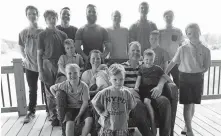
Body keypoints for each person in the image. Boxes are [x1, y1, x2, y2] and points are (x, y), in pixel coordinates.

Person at [165, 23, 211, 136]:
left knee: (193, 103)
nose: (193, 35)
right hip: (184, 78)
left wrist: (197, 72)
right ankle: (190, 130)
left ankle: (187, 125)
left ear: (199, 32)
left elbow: (206, 66)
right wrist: (164, 72)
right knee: (187, 104)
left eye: (195, 32)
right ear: (187, 35)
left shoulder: (206, 50)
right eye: (190, 33)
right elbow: (173, 62)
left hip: (198, 78)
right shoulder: (182, 49)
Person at [122, 41, 174, 136]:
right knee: (138, 106)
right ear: (128, 52)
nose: (136, 52)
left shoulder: (147, 63)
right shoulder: (122, 67)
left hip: (151, 93)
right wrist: (130, 90)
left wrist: (160, 86)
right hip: (134, 96)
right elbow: (116, 84)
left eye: (138, 50)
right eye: (133, 50)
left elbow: (162, 75)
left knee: (164, 101)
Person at [37, 10, 68, 126]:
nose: (52, 20)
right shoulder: (42, 35)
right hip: (47, 64)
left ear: (57, 19)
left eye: (54, 17)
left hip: (60, 64)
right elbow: (39, 54)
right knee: (50, 91)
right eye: (49, 18)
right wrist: (40, 71)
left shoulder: (63, 35)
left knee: (61, 90)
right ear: (45, 20)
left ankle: (62, 115)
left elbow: (66, 52)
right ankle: (53, 116)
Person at [134, 49, 172, 135]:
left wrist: (172, 82)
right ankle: (153, 124)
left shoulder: (157, 68)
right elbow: (139, 79)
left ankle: (153, 125)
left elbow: (165, 76)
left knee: (148, 102)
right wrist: (136, 87)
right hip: (144, 89)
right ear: (143, 59)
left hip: (153, 89)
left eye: (151, 60)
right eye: (146, 59)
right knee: (146, 102)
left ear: (154, 60)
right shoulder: (142, 68)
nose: (148, 62)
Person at [91, 64, 137, 136]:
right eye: (115, 79)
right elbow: (94, 102)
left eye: (121, 79)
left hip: (121, 125)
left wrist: (127, 113)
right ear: (109, 78)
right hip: (108, 125)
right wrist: (101, 112)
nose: (118, 82)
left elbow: (131, 105)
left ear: (124, 78)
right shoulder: (105, 92)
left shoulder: (127, 93)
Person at [50, 64, 93, 136]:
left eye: (75, 73)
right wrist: (56, 97)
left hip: (82, 107)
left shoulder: (84, 86)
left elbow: (85, 102)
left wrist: (79, 115)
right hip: (70, 108)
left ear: (79, 74)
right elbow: (52, 88)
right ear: (66, 75)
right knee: (69, 124)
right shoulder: (64, 85)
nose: (72, 75)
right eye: (69, 73)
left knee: (89, 120)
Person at [19, 5, 44, 123]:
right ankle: (31, 112)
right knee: (32, 89)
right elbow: (21, 47)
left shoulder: (43, 31)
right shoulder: (23, 32)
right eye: (29, 13)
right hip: (29, 66)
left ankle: (50, 111)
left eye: (34, 13)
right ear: (26, 16)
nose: (32, 15)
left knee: (46, 89)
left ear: (37, 15)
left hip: (43, 66)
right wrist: (25, 58)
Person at [159, 10, 183, 87]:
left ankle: (177, 98)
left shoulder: (178, 31)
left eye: (171, 16)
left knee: (178, 81)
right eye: (167, 16)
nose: (169, 18)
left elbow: (181, 46)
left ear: (173, 17)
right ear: (164, 18)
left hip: (175, 61)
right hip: (164, 61)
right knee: (164, 81)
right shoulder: (160, 31)